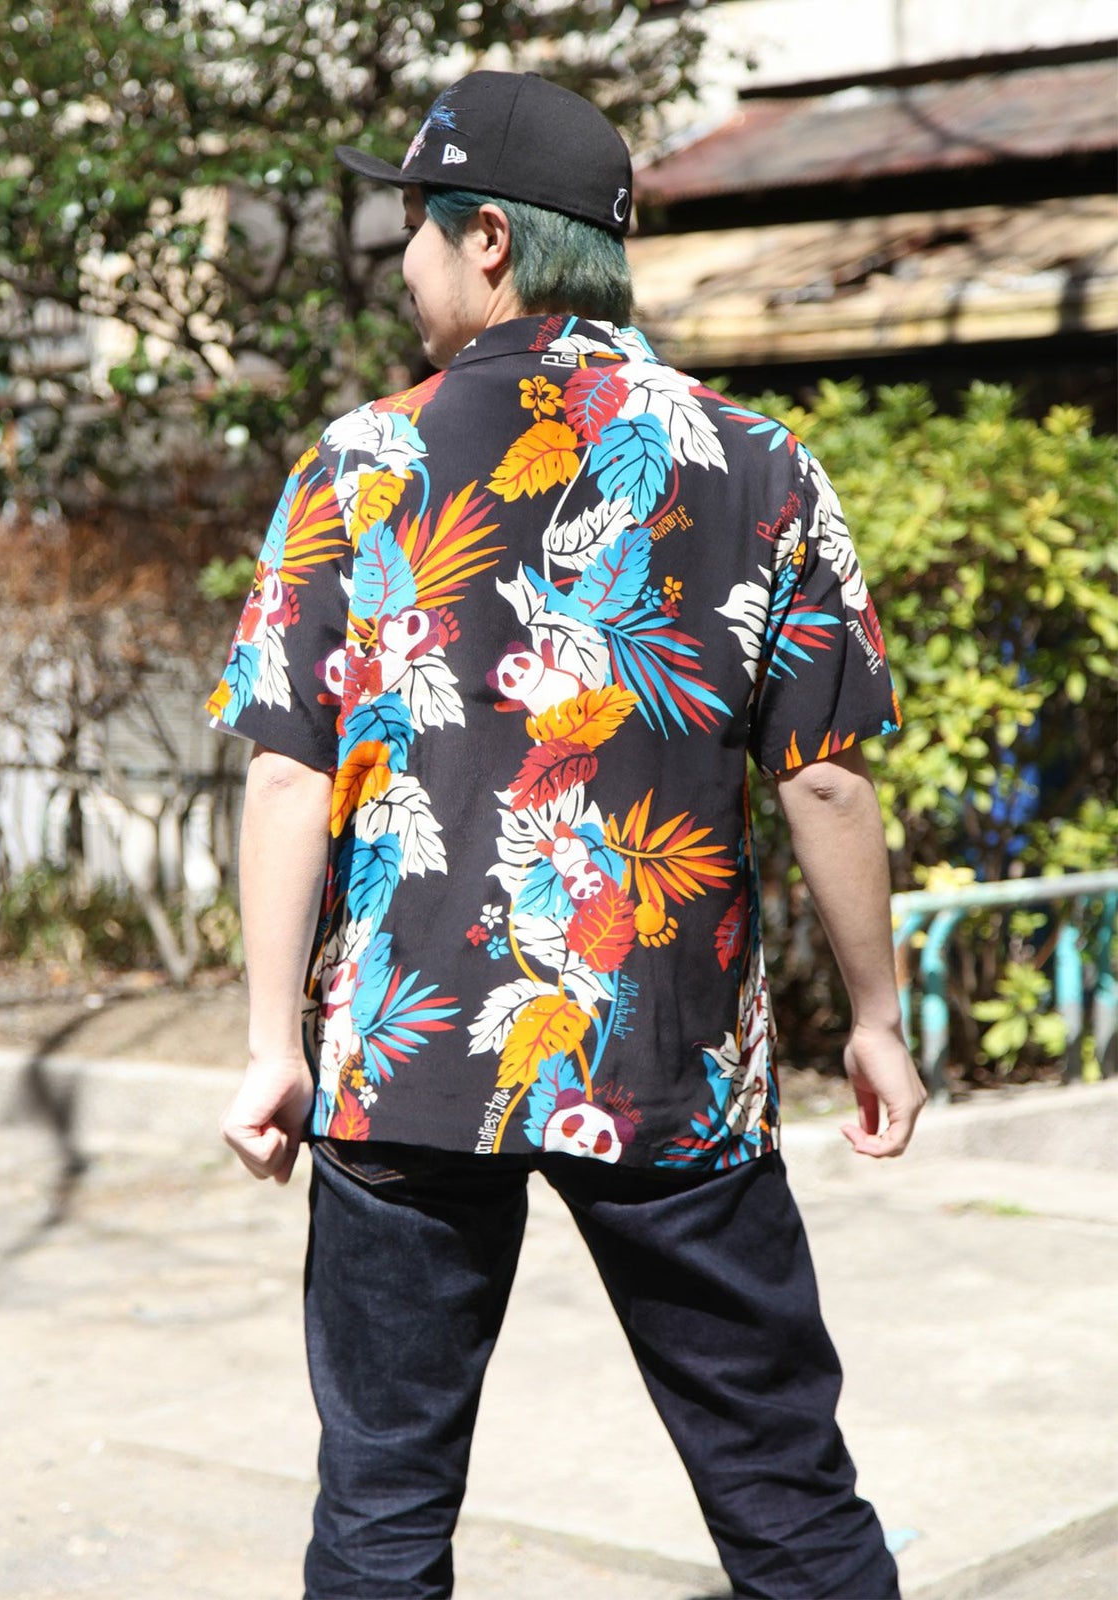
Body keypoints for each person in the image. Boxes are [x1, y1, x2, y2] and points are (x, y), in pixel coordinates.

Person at [207, 69, 926, 1600]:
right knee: (786, 1494)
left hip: (404, 1065)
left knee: (382, 1513)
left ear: (490, 244)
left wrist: (274, 1043)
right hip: (668, 1060)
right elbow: (825, 782)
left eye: (417, 224)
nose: (402, 262)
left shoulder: (361, 459)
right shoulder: (761, 462)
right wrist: (876, 1017)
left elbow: (285, 774)